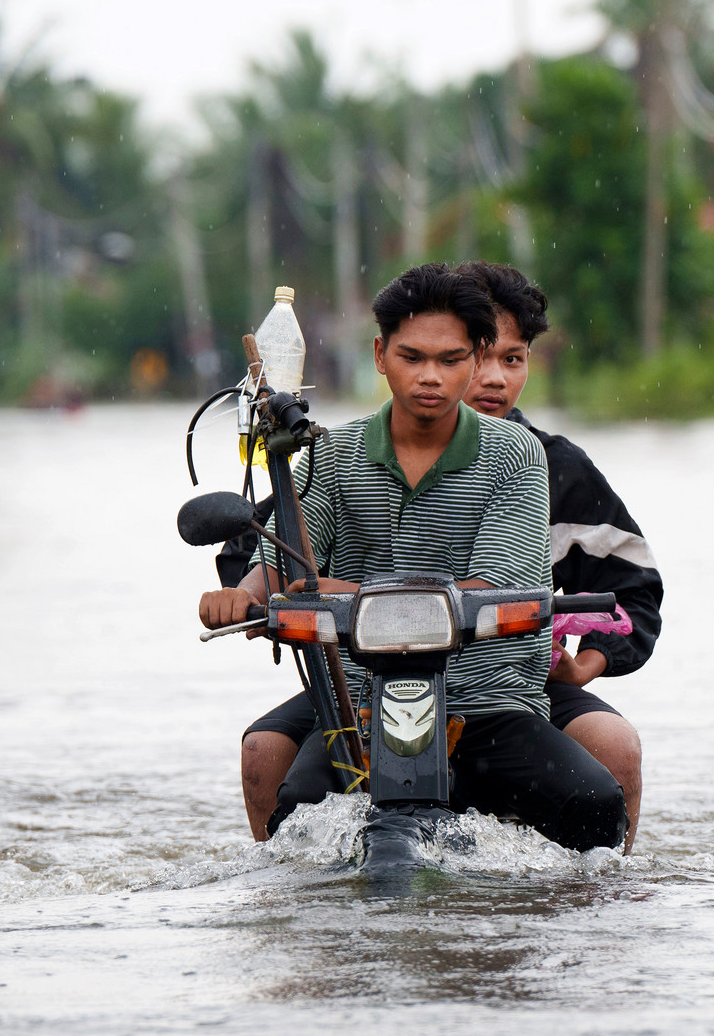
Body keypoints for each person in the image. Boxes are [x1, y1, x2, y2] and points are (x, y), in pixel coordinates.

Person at [197, 262, 626, 852]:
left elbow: (489, 585)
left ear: (476, 359)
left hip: (488, 698)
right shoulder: (335, 453)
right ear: (380, 355)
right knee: (297, 820)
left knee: (594, 805)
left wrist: (337, 592)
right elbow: (291, 558)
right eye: (411, 357)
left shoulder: (517, 456)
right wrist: (244, 595)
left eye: (450, 360)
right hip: (362, 704)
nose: (431, 376)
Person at [456, 261, 662, 847]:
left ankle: (600, 911)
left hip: (522, 684)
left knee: (617, 747)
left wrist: (586, 663)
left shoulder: (557, 466)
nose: (493, 378)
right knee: (265, 751)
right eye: (476, 356)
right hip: (379, 681)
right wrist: (253, 595)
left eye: (512, 359)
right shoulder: (363, 455)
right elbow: (276, 537)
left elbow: (634, 585)